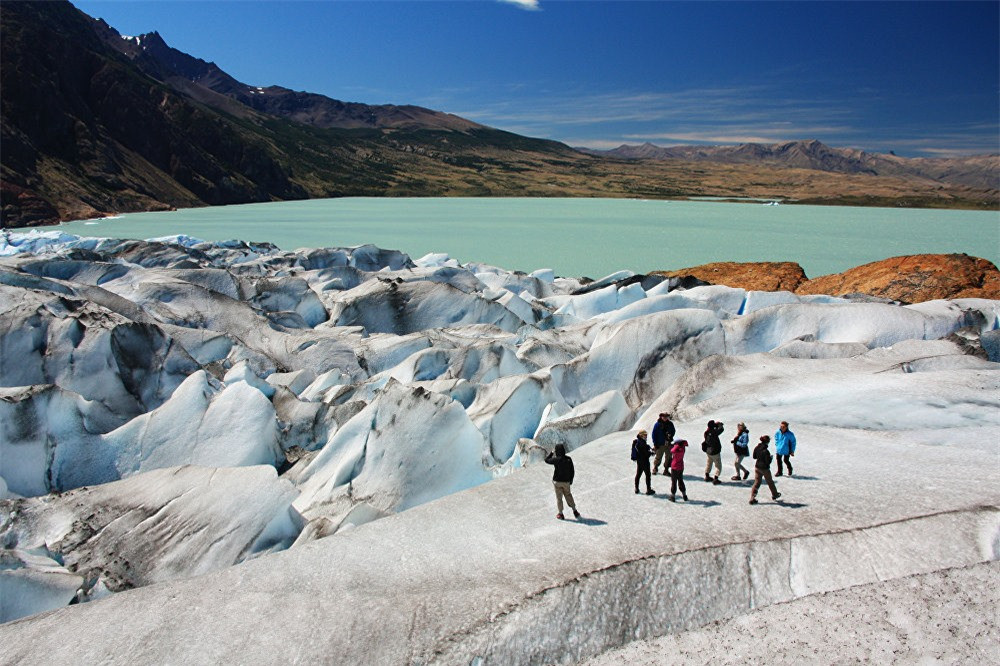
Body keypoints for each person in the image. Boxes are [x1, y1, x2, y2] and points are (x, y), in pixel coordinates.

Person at [544, 444, 580, 520]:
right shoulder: (569, 459)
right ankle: (575, 511)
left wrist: (551, 453)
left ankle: (561, 514)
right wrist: (571, 480)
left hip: (557, 482)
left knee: (559, 498)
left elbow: (546, 460)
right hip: (566, 482)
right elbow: (572, 471)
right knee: (568, 495)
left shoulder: (556, 460)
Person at [749, 435, 782, 504]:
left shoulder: (757, 447)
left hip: (757, 467)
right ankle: (775, 494)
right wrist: (770, 458)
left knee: (757, 482)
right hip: (765, 469)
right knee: (770, 482)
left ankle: (752, 497)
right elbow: (768, 462)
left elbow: (754, 456)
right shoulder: (766, 451)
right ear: (767, 442)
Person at [632, 430, 655, 495]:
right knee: (648, 475)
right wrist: (651, 453)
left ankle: (636, 488)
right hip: (645, 461)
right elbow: (645, 453)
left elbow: (643, 449)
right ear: (641, 435)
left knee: (638, 474)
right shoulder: (642, 443)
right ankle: (648, 489)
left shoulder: (638, 442)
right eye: (645, 435)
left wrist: (648, 447)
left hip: (639, 461)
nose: (646, 436)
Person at [702, 420, 724, 484]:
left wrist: (715, 426)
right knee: (718, 466)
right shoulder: (714, 432)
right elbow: (721, 430)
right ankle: (716, 478)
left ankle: (707, 476)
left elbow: (714, 430)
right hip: (715, 451)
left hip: (708, 451)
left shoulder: (706, 432)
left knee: (709, 463)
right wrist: (720, 425)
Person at [668, 437, 689, 502]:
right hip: (680, 467)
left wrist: (675, 446)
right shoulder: (683, 448)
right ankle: (684, 495)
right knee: (680, 481)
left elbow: (672, 451)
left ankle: (673, 496)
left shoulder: (676, 449)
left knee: (674, 482)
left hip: (674, 467)